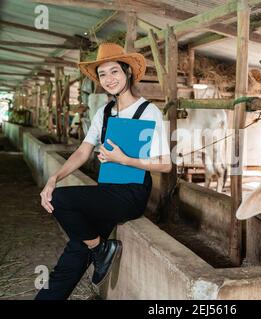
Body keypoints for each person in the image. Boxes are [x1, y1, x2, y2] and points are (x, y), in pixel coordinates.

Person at [35, 43, 172, 300]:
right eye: (103, 74)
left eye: (114, 71)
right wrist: (53, 178)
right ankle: (94, 253)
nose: (109, 79)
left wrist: (125, 159)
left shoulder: (148, 111)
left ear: (128, 72)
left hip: (131, 194)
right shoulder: (104, 112)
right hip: (107, 191)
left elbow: (165, 164)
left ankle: (101, 249)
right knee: (75, 252)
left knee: (61, 200)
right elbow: (82, 151)